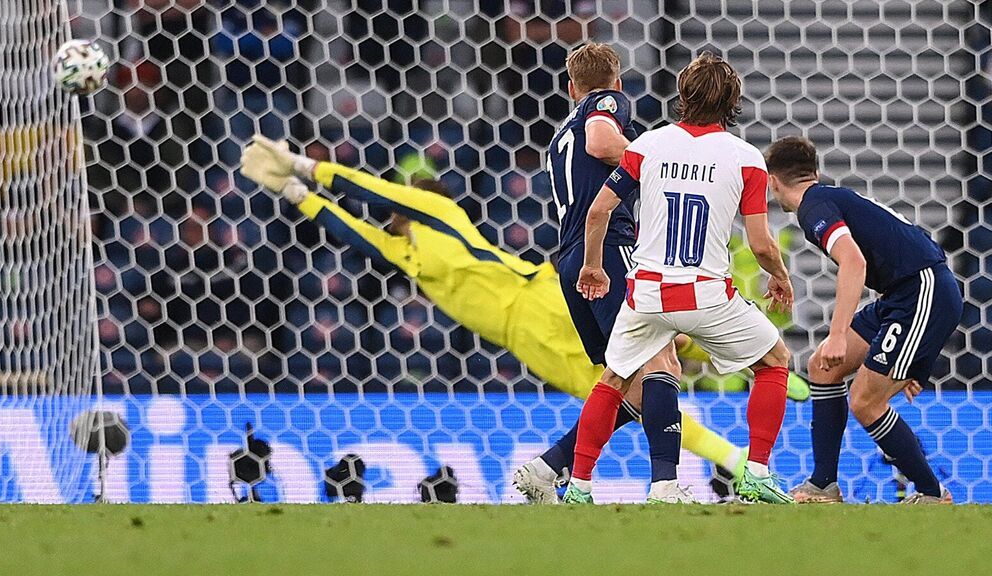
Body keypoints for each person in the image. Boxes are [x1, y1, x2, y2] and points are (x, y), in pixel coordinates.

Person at [237, 136, 745, 491]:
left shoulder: (442, 215)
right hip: (524, 337)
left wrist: (307, 168)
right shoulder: (407, 254)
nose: (390, 218)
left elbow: (373, 192)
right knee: (619, 397)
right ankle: (581, 469)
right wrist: (294, 195)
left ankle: (722, 414)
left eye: (399, 209)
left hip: (538, 302)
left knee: (637, 374)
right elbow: (354, 233)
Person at [516, 42, 807, 505]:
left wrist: (591, 263)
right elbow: (759, 243)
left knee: (616, 378)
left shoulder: (647, 146)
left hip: (633, 284)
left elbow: (598, 210)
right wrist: (781, 278)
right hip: (704, 292)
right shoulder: (745, 157)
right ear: (733, 104)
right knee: (772, 361)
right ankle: (740, 475)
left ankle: (575, 482)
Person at [765, 136, 963, 504]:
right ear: (814, 173)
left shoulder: (813, 208)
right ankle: (823, 484)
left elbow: (855, 262)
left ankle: (932, 493)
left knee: (865, 401)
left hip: (920, 292)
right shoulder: (829, 198)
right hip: (905, 294)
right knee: (821, 368)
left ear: (772, 180)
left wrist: (839, 333)